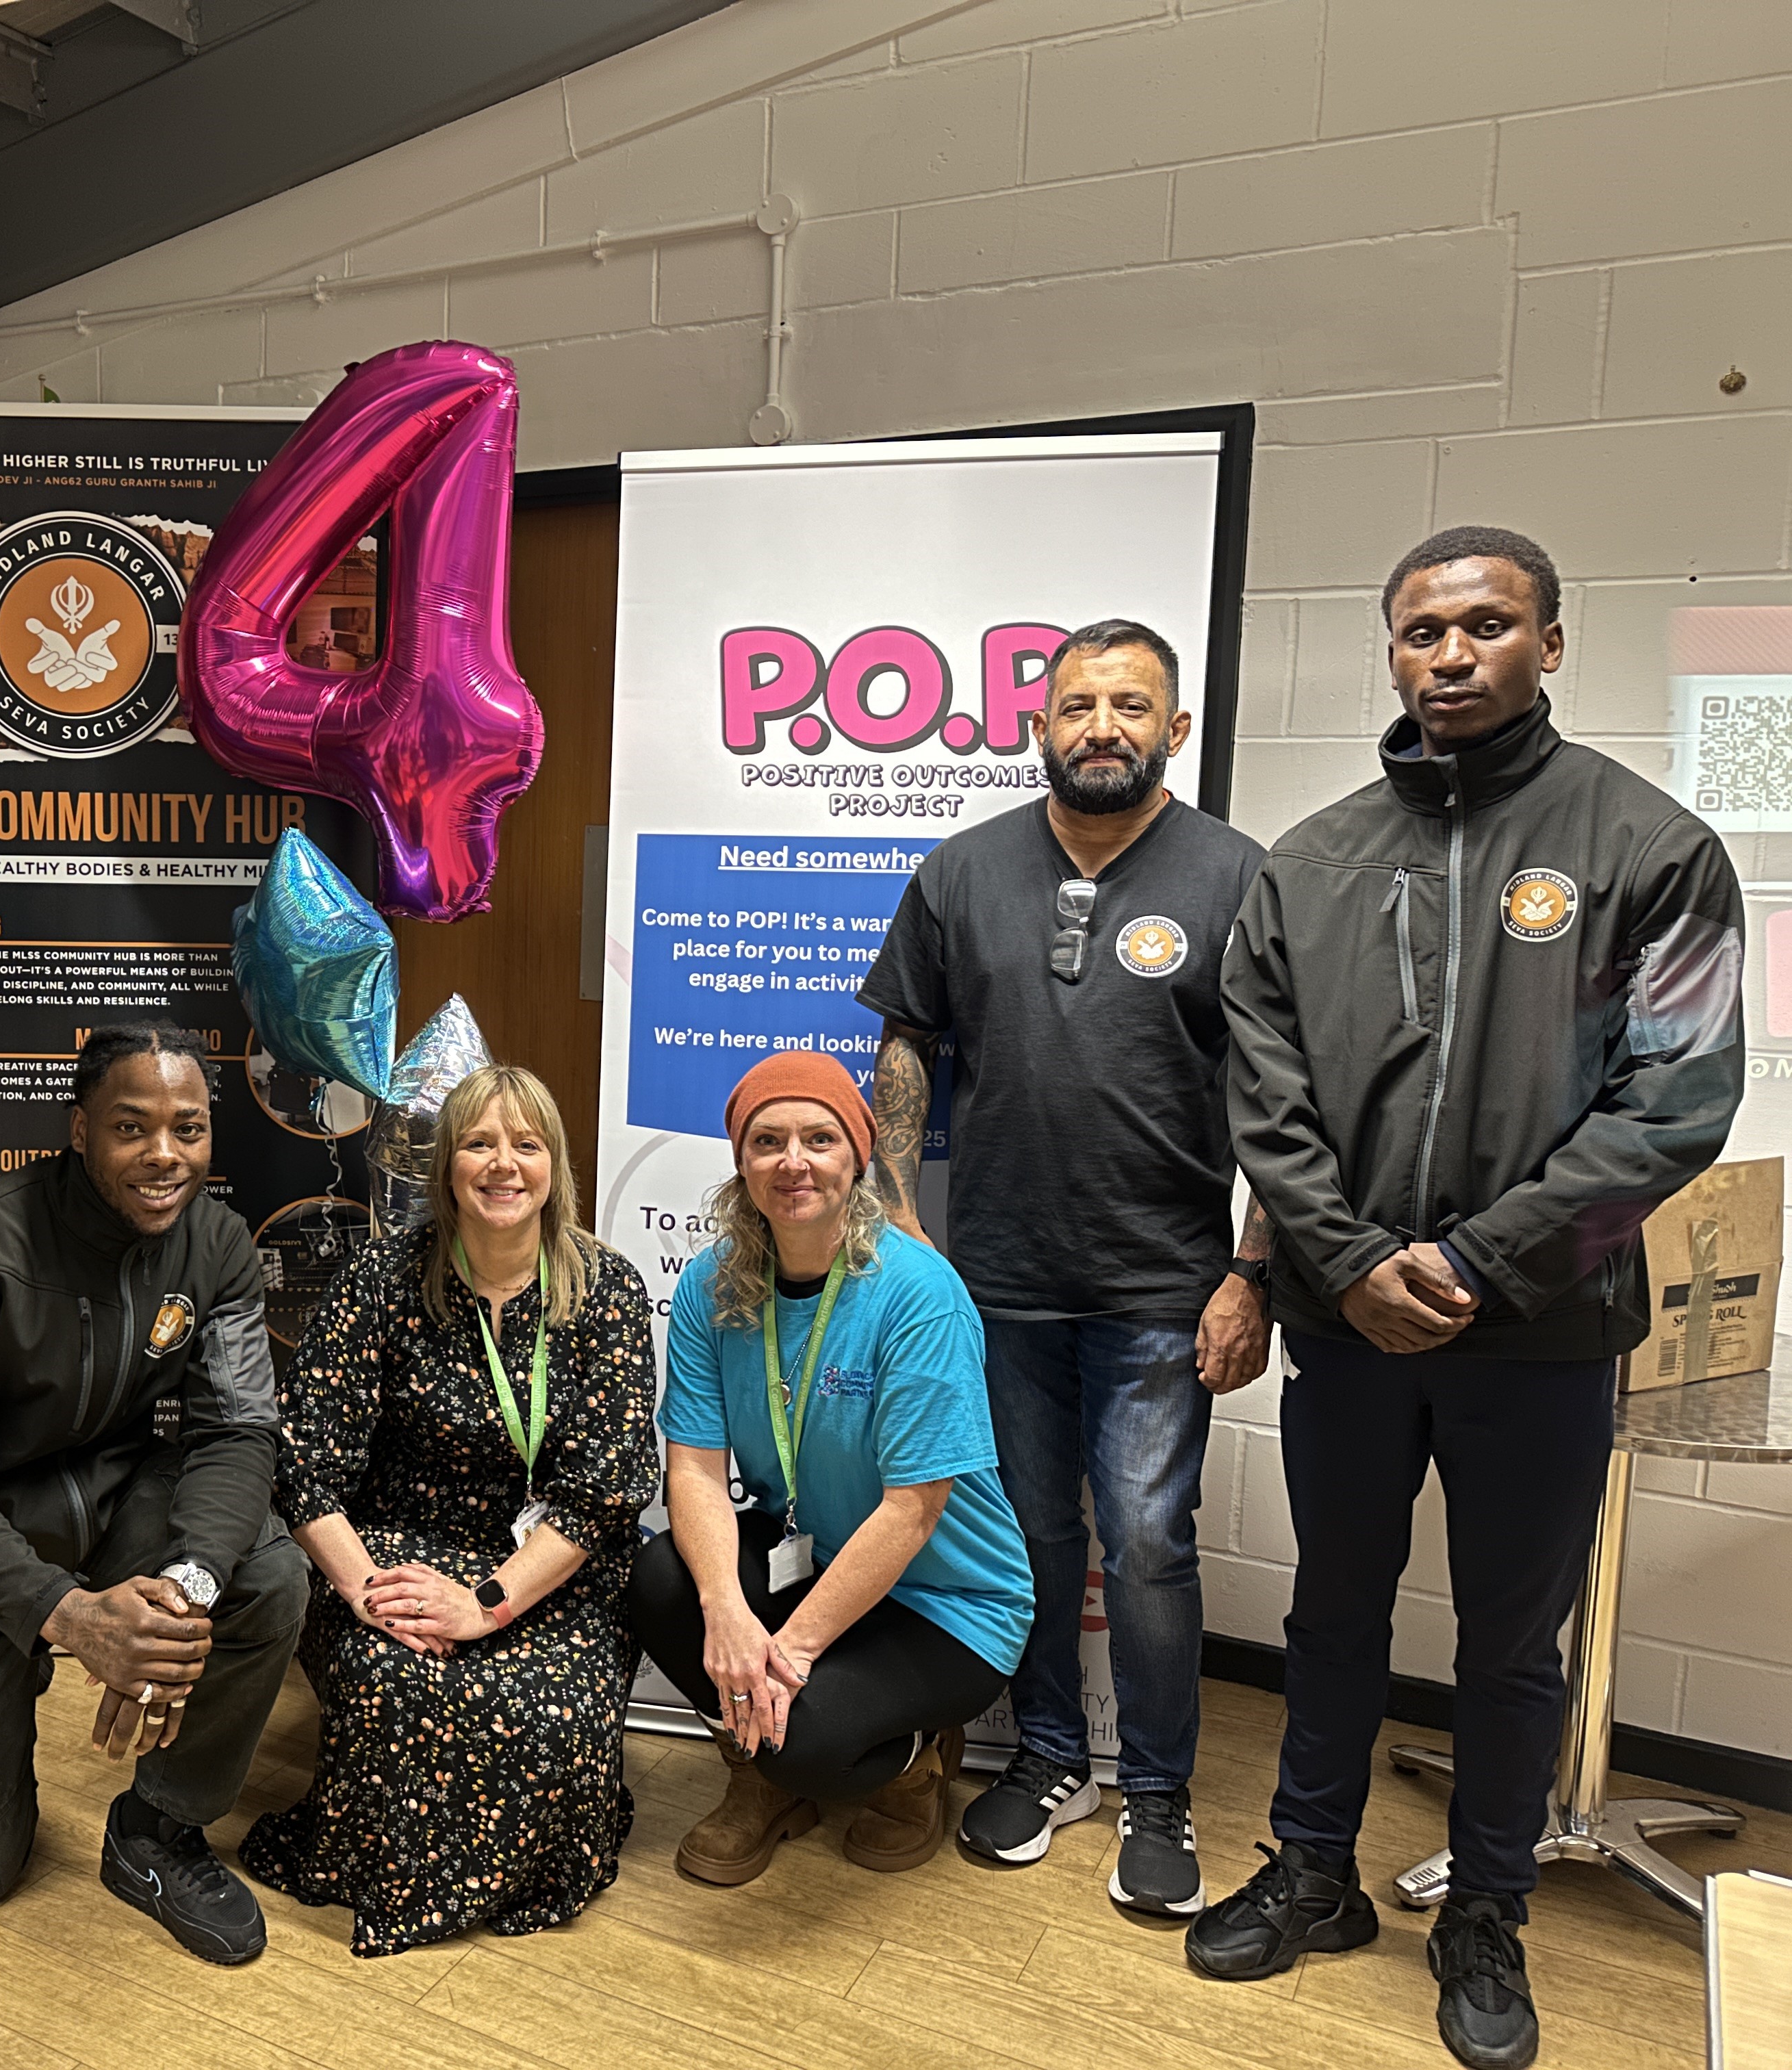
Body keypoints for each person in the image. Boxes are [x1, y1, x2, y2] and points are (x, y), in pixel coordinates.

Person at [1204, 525, 1744, 2069]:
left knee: (1513, 1647)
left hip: (1544, 1336)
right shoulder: (1306, 864)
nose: (1452, 654)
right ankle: (1312, 1871)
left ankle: (1486, 1911)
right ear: (1391, 653)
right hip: (1349, 1334)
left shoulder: (1654, 850)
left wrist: (1477, 1257)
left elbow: (1679, 1101)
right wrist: (1354, 1266)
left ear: (1551, 645)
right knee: (1333, 1614)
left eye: (1488, 626)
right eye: (1423, 631)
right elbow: (1267, 1097)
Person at [854, 617, 1270, 1915]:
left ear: (1175, 728)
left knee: (1144, 1540)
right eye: (1077, 703)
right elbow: (907, 1043)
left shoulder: (1238, 877)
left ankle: (1155, 1790)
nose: (1103, 724)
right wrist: (896, 1208)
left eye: (1130, 705)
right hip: (996, 1279)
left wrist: (1252, 1268)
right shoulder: (964, 870)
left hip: (1162, 1283)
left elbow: (1281, 1091)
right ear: (1038, 723)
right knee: (1030, 1530)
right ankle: (1045, 1757)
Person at [0, 1023, 308, 1967]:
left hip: (113, 1501)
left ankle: (157, 1831)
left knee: (266, 1574)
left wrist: (182, 1600)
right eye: (131, 1127)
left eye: (188, 1129)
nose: (164, 1156)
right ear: (79, 1131)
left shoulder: (220, 1246)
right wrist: (68, 1620)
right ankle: (4, 1659)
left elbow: (235, 1431)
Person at [240, 1065, 661, 1956]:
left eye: (526, 1143)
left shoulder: (608, 1290)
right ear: (447, 1165)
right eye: (478, 1142)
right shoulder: (382, 1279)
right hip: (391, 1549)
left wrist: (487, 1604)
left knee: (553, 1712)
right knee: (398, 1688)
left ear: (556, 1164)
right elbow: (305, 1464)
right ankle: (391, 1870)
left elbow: (608, 1488)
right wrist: (365, 1592)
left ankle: (531, 1865)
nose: (503, 1164)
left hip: (554, 1567)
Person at [631, 1053, 1034, 1885]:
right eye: (768, 1141)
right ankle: (760, 1780)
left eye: (820, 1138)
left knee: (806, 1741)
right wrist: (729, 1618)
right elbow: (697, 1472)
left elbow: (914, 1512)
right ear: (741, 1163)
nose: (794, 1162)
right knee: (658, 1581)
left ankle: (915, 1766)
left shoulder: (918, 1293)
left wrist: (793, 1652)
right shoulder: (713, 1284)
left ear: (857, 1158)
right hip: (814, 1557)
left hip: (945, 1601)